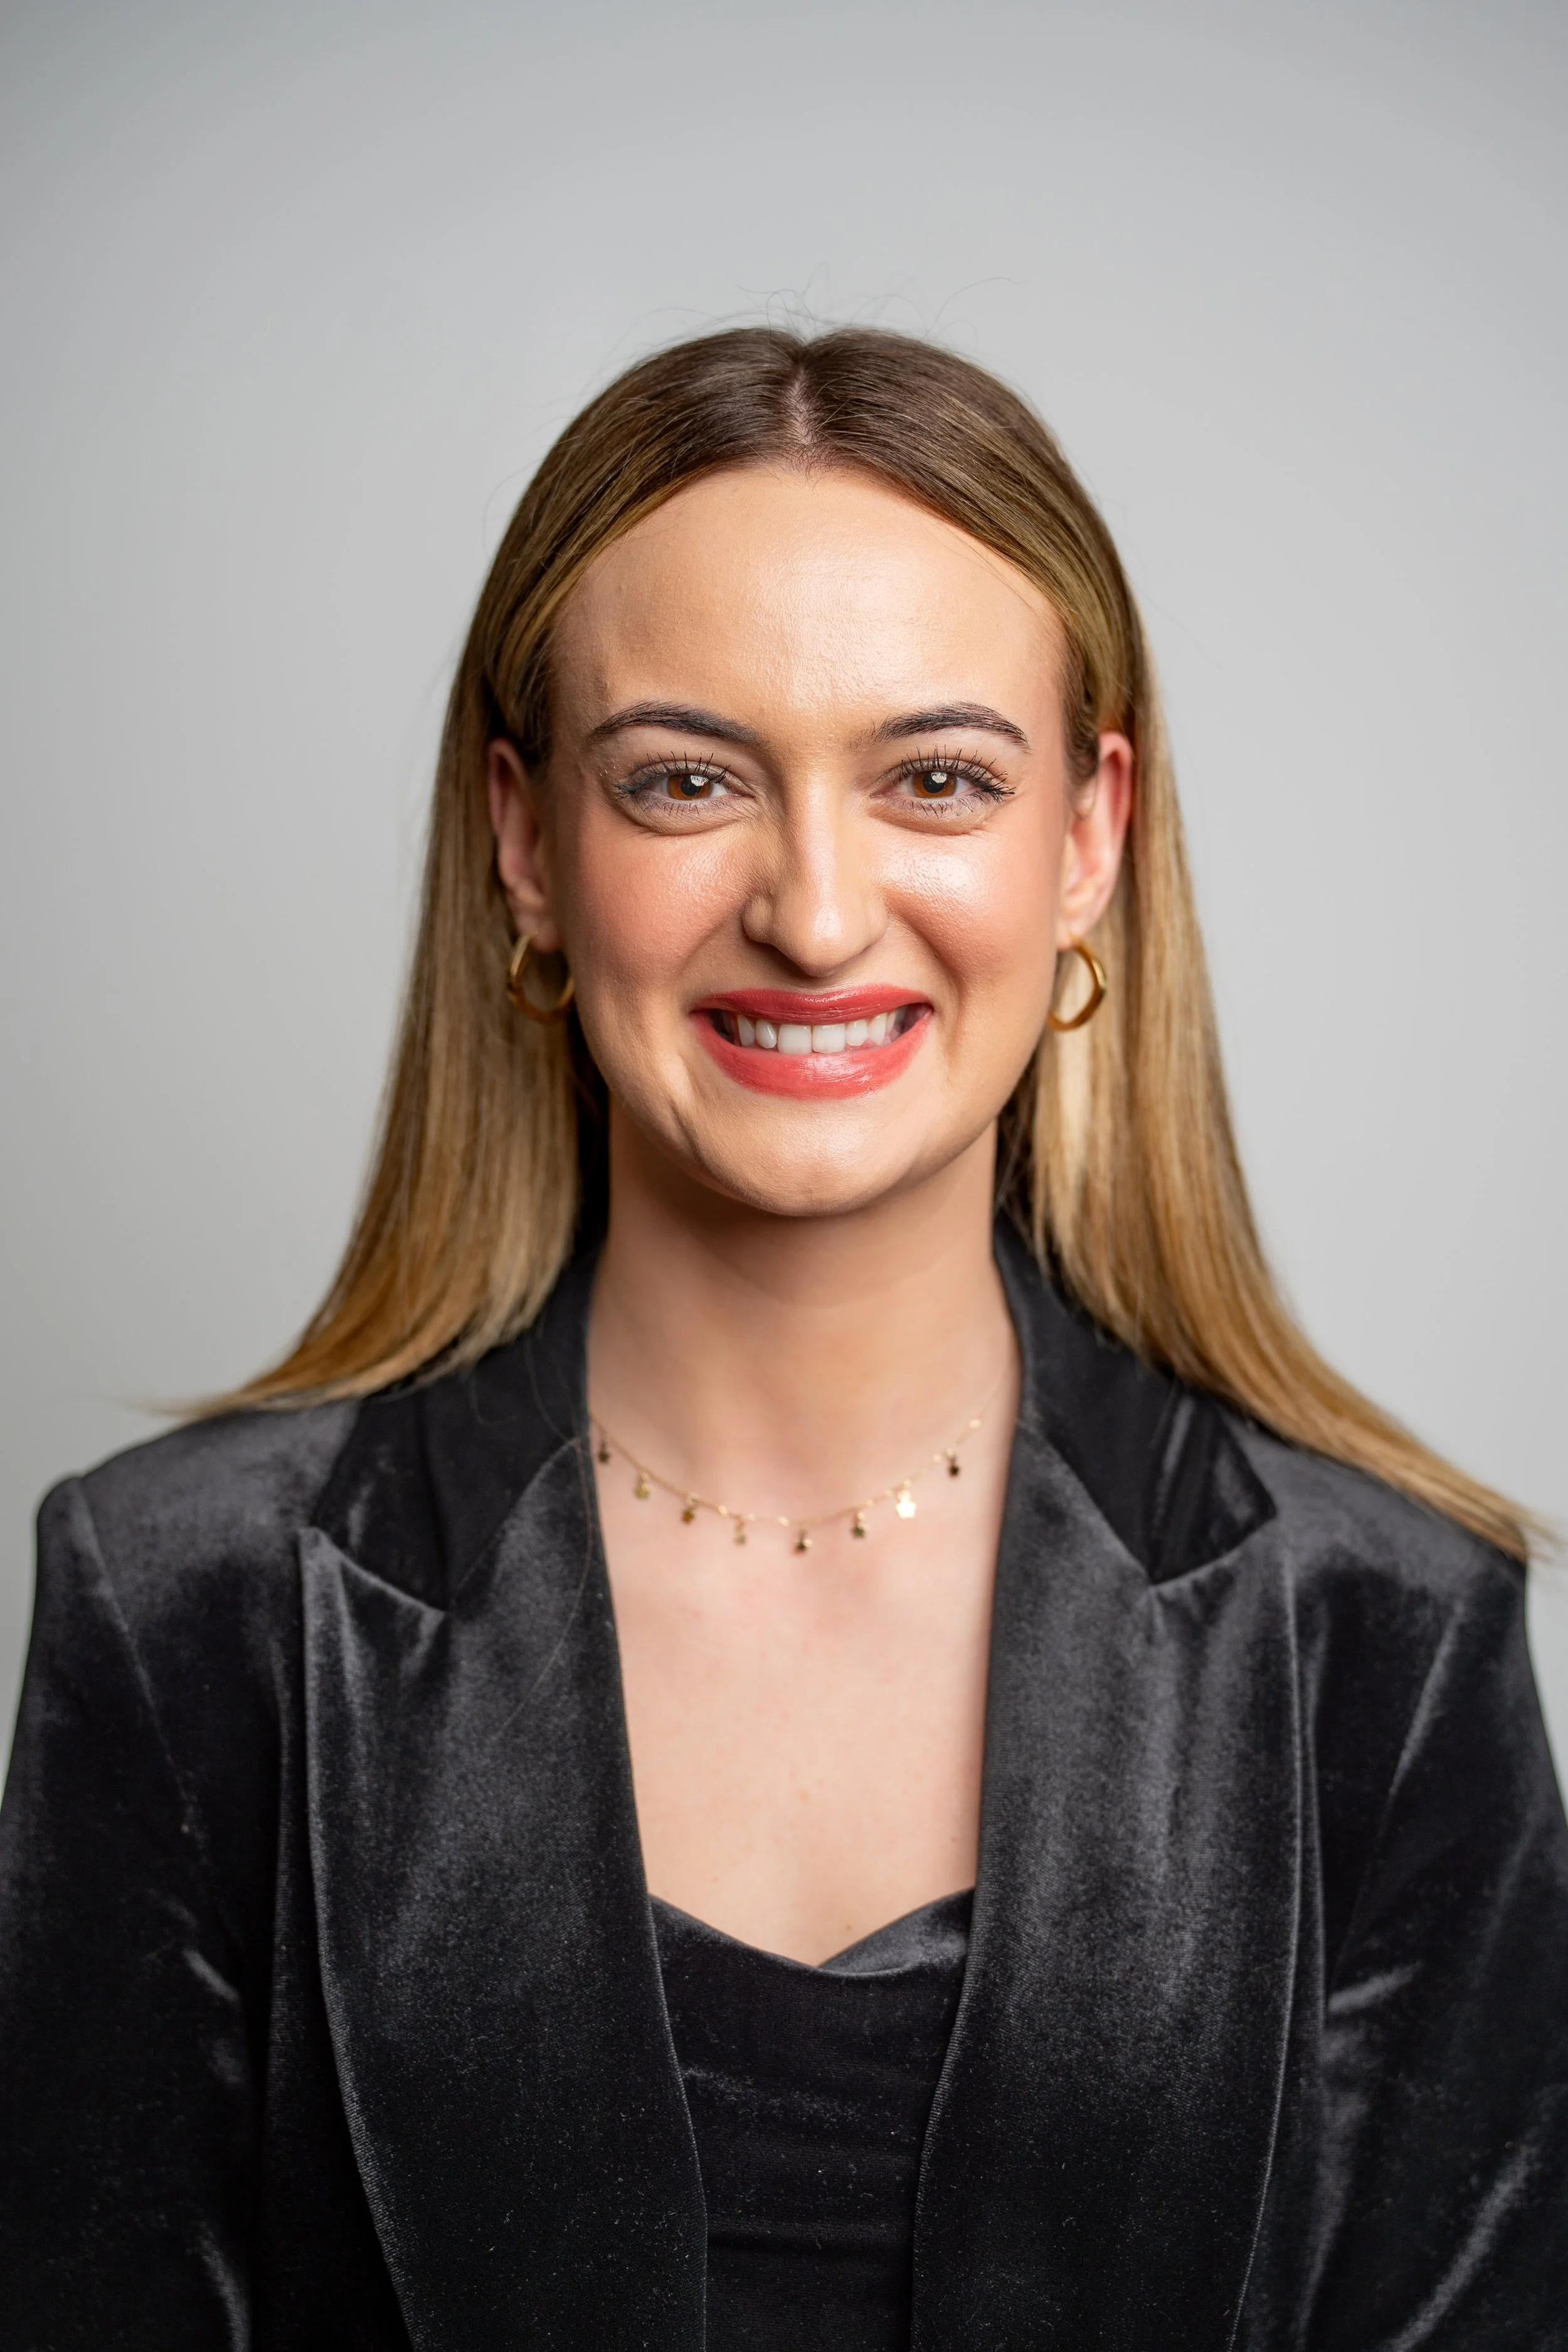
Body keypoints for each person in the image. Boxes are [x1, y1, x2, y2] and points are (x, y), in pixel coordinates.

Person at [1, 326, 1564, 2351]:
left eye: (934, 777)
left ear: (1085, 834)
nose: (816, 914)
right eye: (685, 779)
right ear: (524, 840)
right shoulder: (188, 1615)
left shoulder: (1381, 1639)